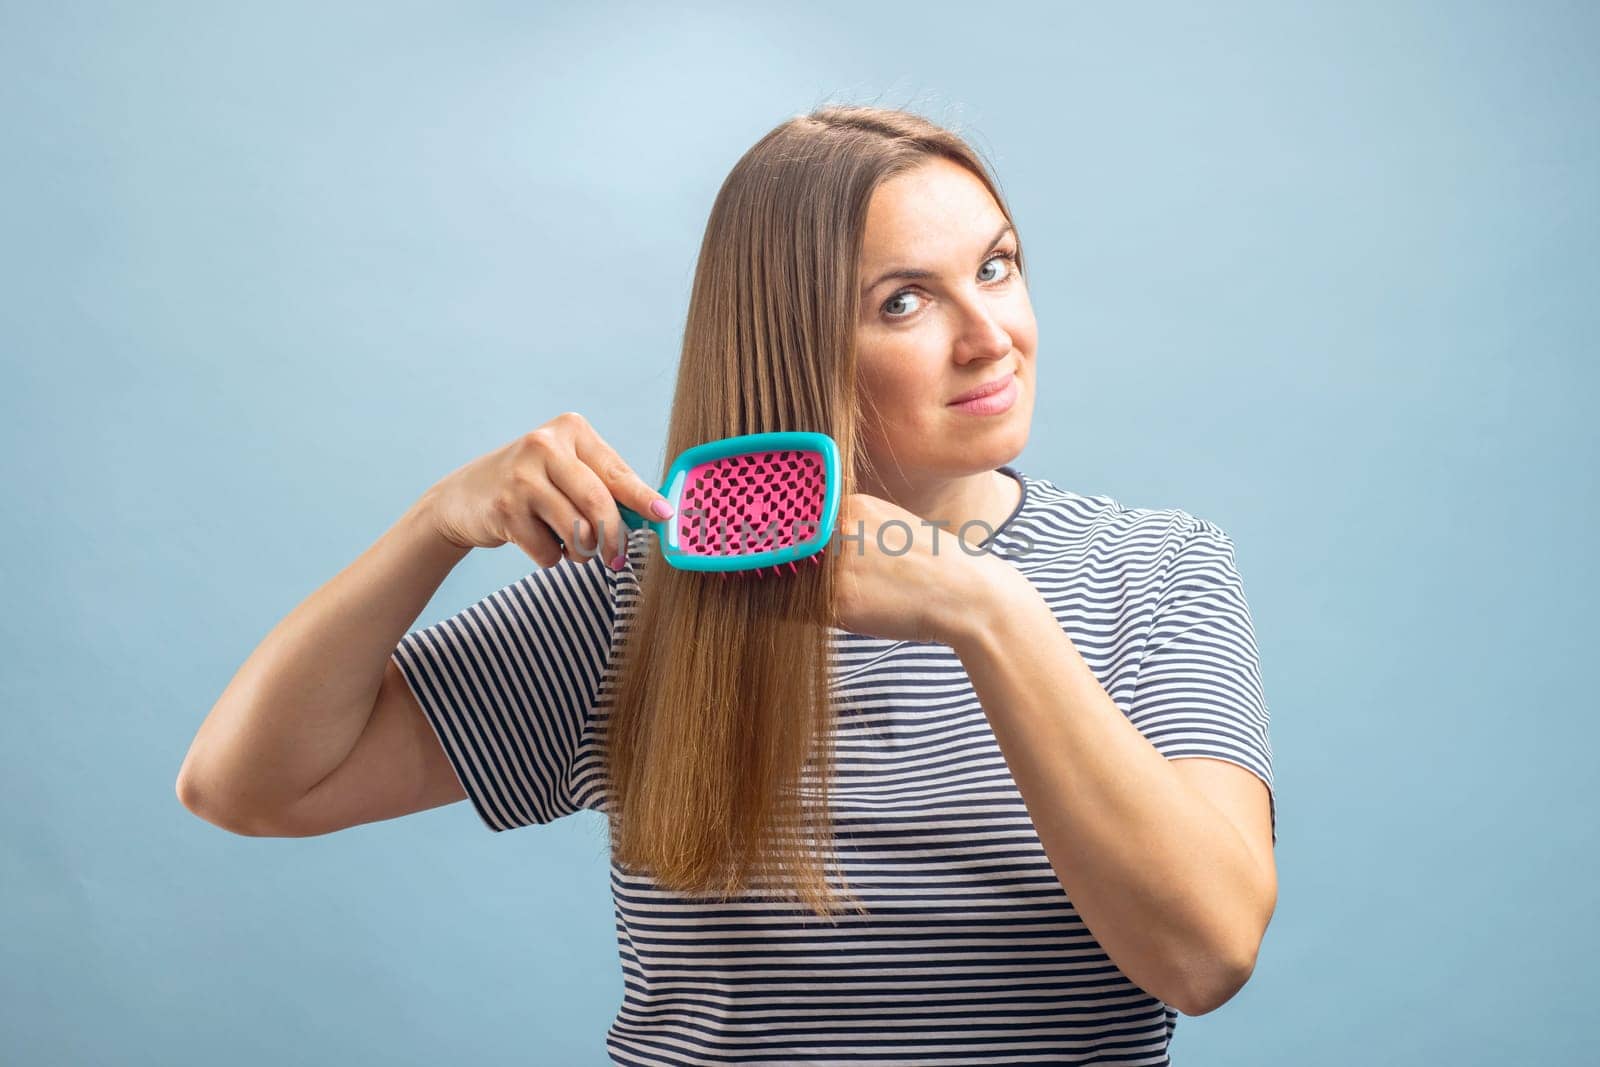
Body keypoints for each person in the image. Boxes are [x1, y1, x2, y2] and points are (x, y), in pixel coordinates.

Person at [177, 104, 1277, 1066]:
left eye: (995, 266)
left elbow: (1203, 953)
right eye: (905, 302)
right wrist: (431, 528)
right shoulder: (650, 595)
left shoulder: (1158, 570)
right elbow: (250, 786)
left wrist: (988, 613)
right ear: (797, 346)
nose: (991, 336)